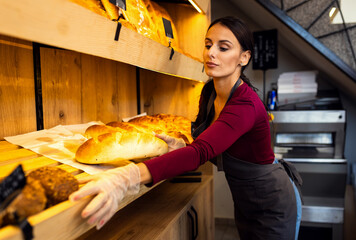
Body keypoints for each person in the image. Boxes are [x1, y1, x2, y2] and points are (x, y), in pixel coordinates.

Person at [70, 16, 302, 240]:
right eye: (208, 44)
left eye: (223, 48)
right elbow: (207, 142)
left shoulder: (245, 104)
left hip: (273, 202)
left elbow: (200, 152)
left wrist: (124, 178)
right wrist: (183, 143)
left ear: (244, 57)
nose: (211, 52)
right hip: (245, 200)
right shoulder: (210, 93)